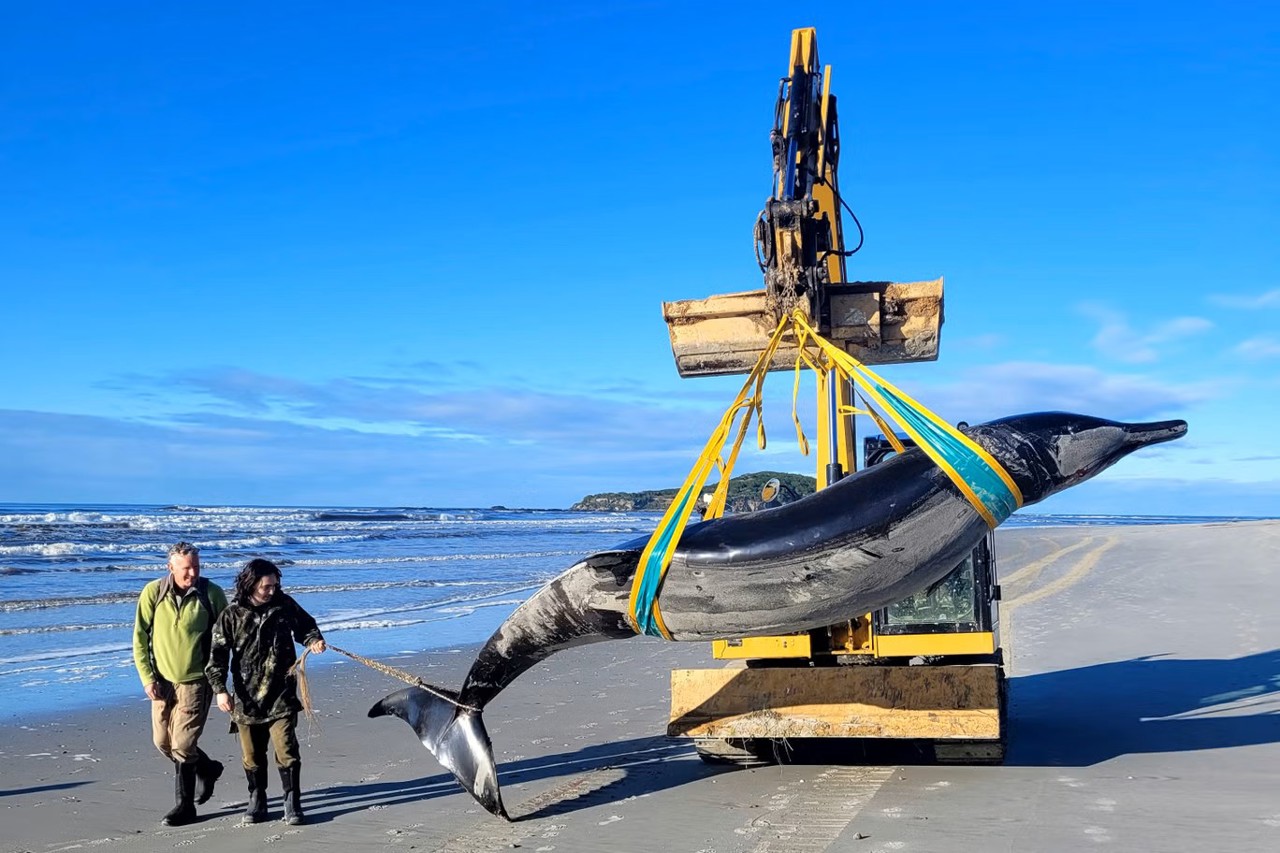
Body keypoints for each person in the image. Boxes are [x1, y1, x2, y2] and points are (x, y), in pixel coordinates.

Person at [206, 558, 326, 825]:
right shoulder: (231, 614)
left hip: (282, 693)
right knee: (251, 755)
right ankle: (257, 799)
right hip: (246, 698)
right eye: (266, 586)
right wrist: (220, 690)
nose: (272, 590)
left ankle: (292, 802)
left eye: (275, 585)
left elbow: (306, 626)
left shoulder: (284, 605)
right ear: (250, 584)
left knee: (286, 749)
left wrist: (314, 640)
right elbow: (217, 655)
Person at [132, 541, 229, 826]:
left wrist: (221, 681)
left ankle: (185, 807)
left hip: (197, 682)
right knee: (162, 743)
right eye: (186, 568)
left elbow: (226, 638)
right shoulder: (153, 592)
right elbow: (140, 638)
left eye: (196, 567)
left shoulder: (211, 594)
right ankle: (208, 768)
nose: (192, 573)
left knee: (183, 745)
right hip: (162, 682)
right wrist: (147, 677)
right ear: (170, 567)